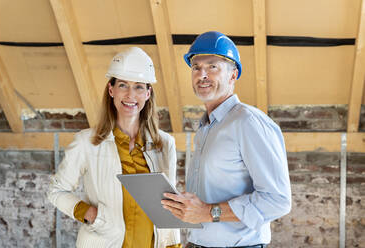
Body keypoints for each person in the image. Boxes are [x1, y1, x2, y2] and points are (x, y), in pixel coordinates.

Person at [161, 31, 291, 248]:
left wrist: (208, 212)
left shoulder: (248, 122)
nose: (202, 74)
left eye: (212, 66)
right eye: (196, 67)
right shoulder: (205, 128)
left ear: (233, 75)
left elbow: (277, 200)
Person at [48, 47, 181, 248]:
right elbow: (56, 190)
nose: (130, 95)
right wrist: (89, 214)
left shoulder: (165, 144)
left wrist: (174, 245)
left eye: (138, 87)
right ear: (111, 90)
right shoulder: (87, 142)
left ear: (148, 92)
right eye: (123, 85)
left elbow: (168, 206)